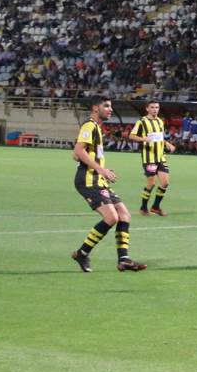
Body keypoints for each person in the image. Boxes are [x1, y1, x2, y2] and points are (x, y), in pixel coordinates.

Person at [69, 97, 146, 272]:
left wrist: (100, 167)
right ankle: (82, 253)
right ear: (95, 108)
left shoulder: (96, 127)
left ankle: (124, 259)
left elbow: (77, 154)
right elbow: (78, 151)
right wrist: (100, 169)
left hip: (98, 178)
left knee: (124, 215)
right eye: (106, 106)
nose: (110, 109)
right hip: (89, 180)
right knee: (111, 218)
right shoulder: (89, 125)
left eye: (110, 106)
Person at [128, 99, 173, 216]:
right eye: (152, 107)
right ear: (147, 109)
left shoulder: (159, 121)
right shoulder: (142, 122)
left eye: (157, 107)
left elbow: (159, 137)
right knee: (152, 182)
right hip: (149, 157)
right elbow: (131, 136)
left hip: (161, 156)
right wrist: (144, 139)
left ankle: (156, 207)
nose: (155, 110)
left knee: (165, 182)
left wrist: (167, 143)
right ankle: (143, 207)